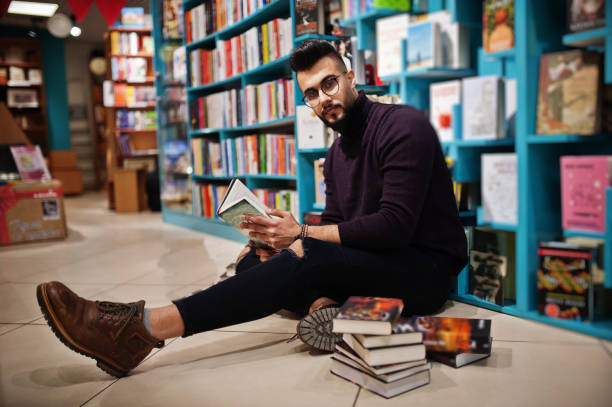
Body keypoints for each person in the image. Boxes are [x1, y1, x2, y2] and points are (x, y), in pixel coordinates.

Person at [36, 39, 467, 378]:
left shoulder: (403, 126)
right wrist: (274, 240)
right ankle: (325, 304)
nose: (323, 100)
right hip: (379, 263)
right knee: (253, 264)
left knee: (305, 254)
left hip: (424, 271)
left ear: (351, 77)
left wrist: (301, 236)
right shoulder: (335, 156)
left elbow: (394, 227)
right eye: (311, 94)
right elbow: (339, 225)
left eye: (330, 84)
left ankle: (143, 328)